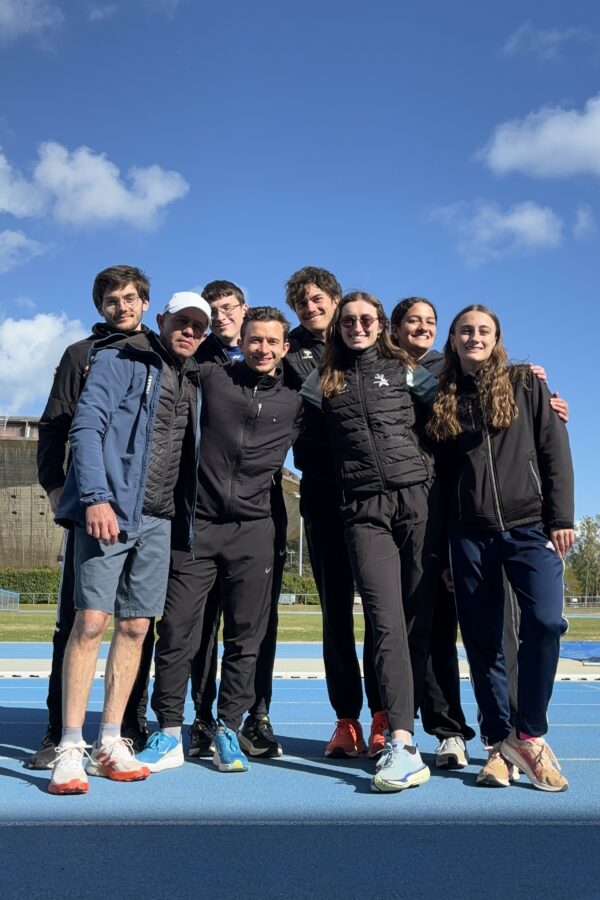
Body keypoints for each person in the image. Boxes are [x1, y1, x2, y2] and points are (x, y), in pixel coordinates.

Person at [390, 296, 570, 770]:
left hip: (528, 526)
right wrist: (448, 549)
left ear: (496, 339)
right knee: (483, 642)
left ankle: (528, 731)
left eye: (483, 330)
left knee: (546, 623)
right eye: (465, 330)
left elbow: (553, 449)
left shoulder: (525, 382)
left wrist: (562, 517)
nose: (474, 337)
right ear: (453, 340)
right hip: (468, 535)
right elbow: (443, 476)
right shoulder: (441, 397)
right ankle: (496, 741)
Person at [47, 291, 209, 794]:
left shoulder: (193, 379)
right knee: (90, 622)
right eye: (181, 322)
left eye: (198, 326)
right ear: (161, 319)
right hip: (111, 512)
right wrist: (94, 498)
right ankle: (69, 746)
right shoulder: (123, 358)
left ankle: (109, 741)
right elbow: (86, 426)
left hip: (159, 520)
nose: (189, 331)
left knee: (137, 627)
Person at [137, 307, 302, 774]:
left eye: (272, 342)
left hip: (255, 531)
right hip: (197, 527)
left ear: (285, 348)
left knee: (245, 637)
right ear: (241, 342)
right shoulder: (210, 377)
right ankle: (169, 730)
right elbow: (161, 363)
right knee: (176, 631)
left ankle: (228, 727)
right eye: (255, 340)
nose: (263, 349)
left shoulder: (297, 401)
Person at [301, 291, 439, 793]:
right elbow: (286, 424)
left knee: (420, 619)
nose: (357, 327)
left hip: (416, 502)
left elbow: (453, 412)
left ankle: (435, 728)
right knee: (385, 619)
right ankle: (402, 742)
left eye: (366, 319)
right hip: (361, 510)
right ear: (338, 328)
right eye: (349, 321)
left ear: (381, 324)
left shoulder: (406, 368)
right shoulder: (323, 378)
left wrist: (532, 396)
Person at [29, 265, 155, 769]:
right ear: (100, 307)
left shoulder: (160, 354)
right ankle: (59, 731)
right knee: (78, 621)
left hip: (147, 512)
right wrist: (55, 486)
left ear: (145, 302)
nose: (121, 307)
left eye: (129, 298)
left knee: (138, 624)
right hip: (92, 508)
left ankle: (127, 726)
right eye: (111, 300)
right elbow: (56, 424)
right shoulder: (80, 354)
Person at [284, 267, 383, 760]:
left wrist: (527, 386)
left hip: (373, 495)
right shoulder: (287, 351)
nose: (310, 308)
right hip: (323, 494)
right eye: (301, 302)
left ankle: (384, 715)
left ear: (336, 298)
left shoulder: (373, 346)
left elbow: (434, 375)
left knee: (382, 612)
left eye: (317, 298)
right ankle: (347, 719)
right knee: (336, 616)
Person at [188, 280, 288, 759]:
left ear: (244, 310)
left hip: (259, 510)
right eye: (213, 310)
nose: (221, 315)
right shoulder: (201, 359)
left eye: (228, 307)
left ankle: (254, 716)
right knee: (197, 625)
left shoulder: (287, 359)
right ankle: (200, 719)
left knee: (253, 624)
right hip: (205, 512)